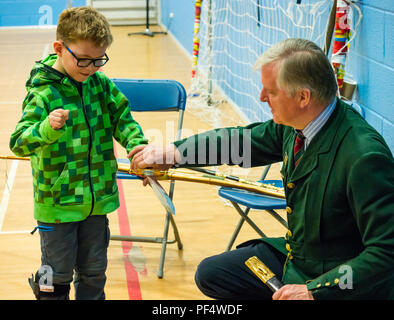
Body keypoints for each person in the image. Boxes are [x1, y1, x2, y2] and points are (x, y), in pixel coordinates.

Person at [129, 38, 394, 300]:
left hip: (338, 277)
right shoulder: (298, 125)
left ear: (303, 97)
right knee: (213, 273)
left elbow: (386, 252)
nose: (262, 97)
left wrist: (316, 291)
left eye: (271, 91)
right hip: (301, 257)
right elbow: (239, 142)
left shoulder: (363, 156)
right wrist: (174, 153)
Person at [9, 6, 148, 300]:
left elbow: (122, 118)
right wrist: (46, 128)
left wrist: (136, 145)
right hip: (57, 204)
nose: (91, 68)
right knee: (54, 273)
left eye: (99, 60)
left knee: (94, 271)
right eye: (83, 60)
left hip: (98, 200)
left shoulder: (100, 84)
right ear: (60, 48)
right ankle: (45, 290)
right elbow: (19, 141)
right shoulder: (43, 93)